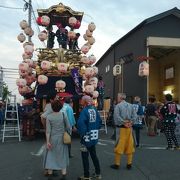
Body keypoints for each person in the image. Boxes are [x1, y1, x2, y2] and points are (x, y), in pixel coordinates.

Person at [43, 100, 70, 180]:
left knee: (51, 156)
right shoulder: (63, 114)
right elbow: (68, 126)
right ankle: (64, 175)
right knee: (62, 156)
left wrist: (48, 142)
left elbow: (48, 131)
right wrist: (67, 133)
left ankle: (50, 176)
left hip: (52, 138)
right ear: (61, 107)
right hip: (62, 138)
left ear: (52, 107)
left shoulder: (49, 117)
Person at [77, 95, 102, 180]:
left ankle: (86, 175)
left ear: (84, 102)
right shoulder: (94, 109)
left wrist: (81, 134)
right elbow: (99, 121)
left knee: (85, 156)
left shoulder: (84, 111)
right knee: (93, 154)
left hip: (87, 136)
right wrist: (96, 128)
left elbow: (81, 124)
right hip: (94, 134)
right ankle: (98, 173)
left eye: (82, 101)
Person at [110, 93, 137, 170]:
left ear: (120, 98)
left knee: (119, 145)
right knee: (130, 145)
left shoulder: (118, 106)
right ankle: (129, 164)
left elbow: (116, 117)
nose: (117, 98)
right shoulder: (131, 105)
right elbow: (135, 116)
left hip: (121, 128)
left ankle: (117, 164)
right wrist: (130, 122)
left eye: (118, 97)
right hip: (129, 128)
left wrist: (124, 123)